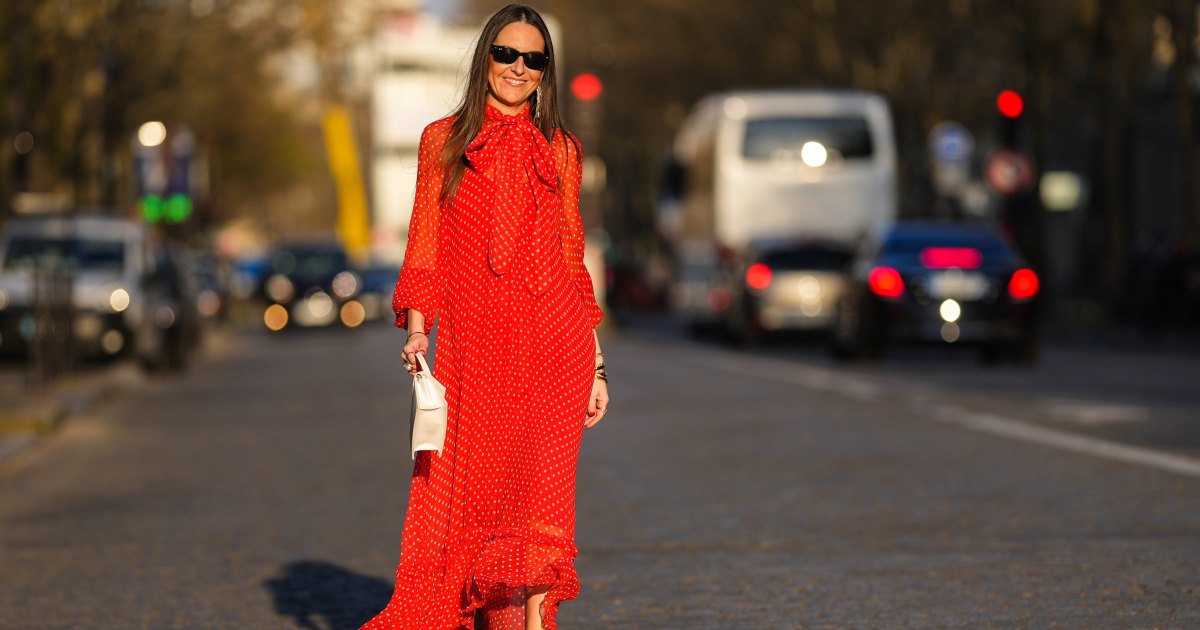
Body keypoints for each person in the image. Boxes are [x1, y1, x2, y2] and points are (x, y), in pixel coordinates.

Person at [361, 5, 609, 630]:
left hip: (557, 349)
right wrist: (418, 327)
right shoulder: (442, 141)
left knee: (540, 503)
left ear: (546, 71)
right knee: (475, 500)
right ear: (484, 59)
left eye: (534, 59)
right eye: (506, 54)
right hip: (475, 351)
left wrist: (598, 364)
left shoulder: (562, 150)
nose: (519, 68)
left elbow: (571, 256)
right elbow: (425, 245)